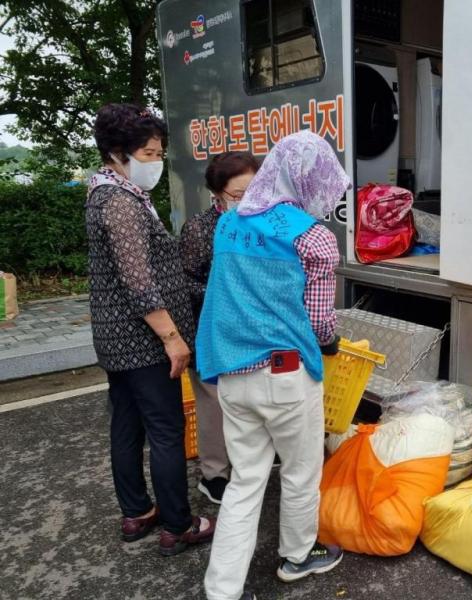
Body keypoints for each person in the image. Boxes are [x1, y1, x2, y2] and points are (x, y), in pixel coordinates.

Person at [198, 130, 350, 600]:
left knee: (245, 481)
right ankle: (297, 558)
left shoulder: (228, 222)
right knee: (301, 472)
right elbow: (320, 321)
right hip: (285, 375)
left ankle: (222, 589)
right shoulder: (315, 239)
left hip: (232, 372)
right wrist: (328, 343)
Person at [85, 103, 215, 556]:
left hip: (117, 339)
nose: (156, 162)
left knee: (126, 424)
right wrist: (172, 337)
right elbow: (137, 280)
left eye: (160, 153)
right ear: (118, 153)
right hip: (142, 341)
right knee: (165, 429)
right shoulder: (120, 202)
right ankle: (179, 524)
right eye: (148, 153)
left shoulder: (106, 192)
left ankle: (137, 512)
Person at [179, 151, 259, 504]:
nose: (248, 200)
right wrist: (224, 292)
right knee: (213, 404)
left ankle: (248, 464)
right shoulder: (200, 228)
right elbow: (184, 281)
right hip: (209, 330)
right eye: (238, 195)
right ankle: (213, 474)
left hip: (251, 332)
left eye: (255, 190)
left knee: (248, 401)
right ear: (217, 196)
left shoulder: (261, 223)